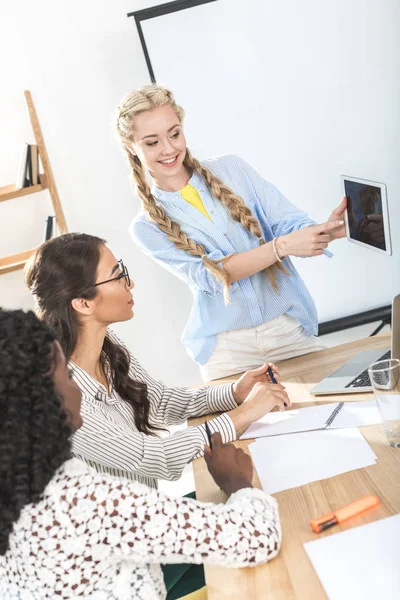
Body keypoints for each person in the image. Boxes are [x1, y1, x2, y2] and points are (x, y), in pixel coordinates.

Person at [0, 308, 282, 599]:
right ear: (37, 401)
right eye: (68, 376)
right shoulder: (85, 501)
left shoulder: (22, 488)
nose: (79, 389)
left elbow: (157, 401)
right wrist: (237, 482)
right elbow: (257, 536)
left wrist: (232, 396)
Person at [115, 84, 347, 381]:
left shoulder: (232, 170)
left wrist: (326, 231)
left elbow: (288, 224)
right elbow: (215, 276)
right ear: (131, 147)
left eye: (174, 134)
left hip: (287, 331)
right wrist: (281, 246)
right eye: (151, 142)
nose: (169, 149)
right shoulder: (146, 227)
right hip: (227, 353)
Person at [25, 233, 289, 489]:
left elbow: (157, 402)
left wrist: (233, 393)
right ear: (82, 304)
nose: (130, 283)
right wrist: (244, 414)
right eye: (117, 276)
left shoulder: (106, 346)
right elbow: (153, 456)